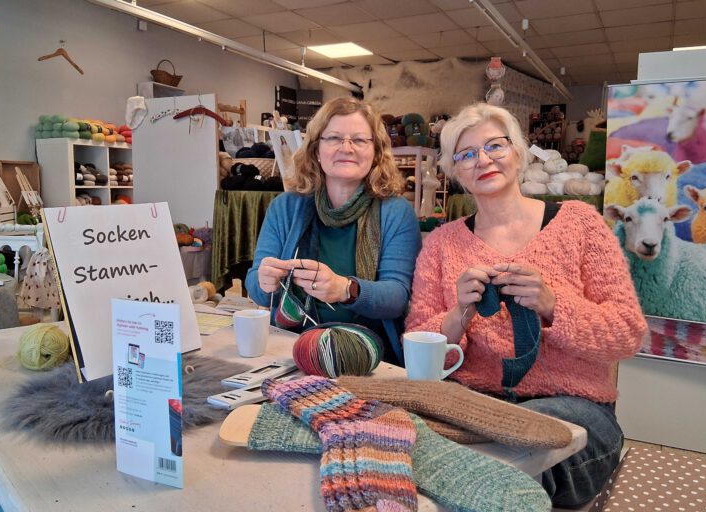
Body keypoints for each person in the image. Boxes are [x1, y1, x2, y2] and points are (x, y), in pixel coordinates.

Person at [406, 102, 647, 508]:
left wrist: (553, 305)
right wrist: (458, 315)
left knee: (491, 471)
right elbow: (419, 350)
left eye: (495, 146)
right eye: (466, 154)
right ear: (455, 171)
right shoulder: (442, 245)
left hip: (574, 413)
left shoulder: (580, 223)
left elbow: (627, 334)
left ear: (518, 152)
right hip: (472, 407)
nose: (483, 159)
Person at [245, 96, 421, 365]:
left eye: (359, 140)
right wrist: (263, 281)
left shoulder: (396, 212)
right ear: (316, 149)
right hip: (290, 348)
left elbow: (397, 297)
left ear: (376, 153)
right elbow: (256, 286)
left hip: (367, 355)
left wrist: (345, 289)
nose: (346, 148)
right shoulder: (285, 207)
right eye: (334, 138)